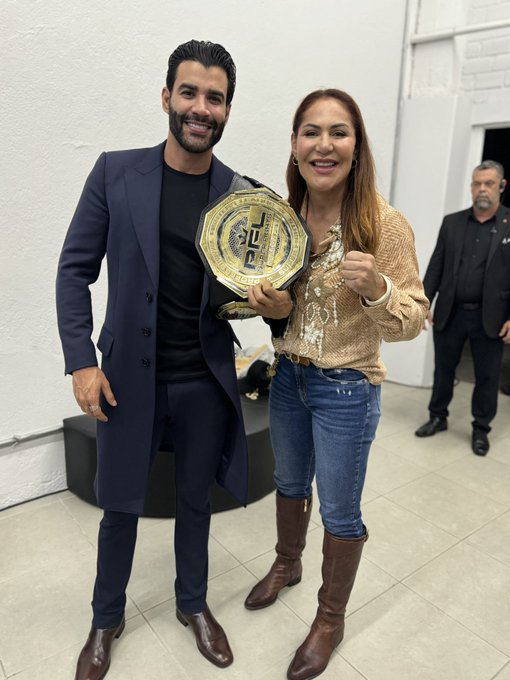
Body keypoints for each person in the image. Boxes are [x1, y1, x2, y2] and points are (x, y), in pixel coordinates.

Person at [56, 40, 257, 679]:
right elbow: (74, 270)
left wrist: (268, 299)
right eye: (190, 92)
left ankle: (192, 604)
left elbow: (251, 288)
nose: (201, 108)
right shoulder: (115, 173)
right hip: (124, 382)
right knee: (119, 504)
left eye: (215, 98)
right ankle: (105, 618)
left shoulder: (241, 194)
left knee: (195, 501)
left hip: (204, 381)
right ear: (167, 96)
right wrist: (81, 362)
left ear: (227, 110)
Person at [244, 89, 428, 680]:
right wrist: (271, 309)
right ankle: (287, 563)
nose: (324, 145)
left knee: (341, 511)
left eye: (338, 132)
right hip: (288, 377)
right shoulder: (281, 219)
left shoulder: (383, 224)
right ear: (295, 145)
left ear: (357, 145)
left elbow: (413, 320)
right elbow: (275, 309)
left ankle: (330, 618)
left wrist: (377, 288)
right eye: (311, 132)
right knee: (288, 482)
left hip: (347, 387)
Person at [415, 160, 510, 455]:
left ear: (501, 186)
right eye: (476, 183)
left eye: (488, 183)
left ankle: (481, 429)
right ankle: (437, 417)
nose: (481, 189)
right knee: (443, 370)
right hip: (451, 312)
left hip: (491, 316)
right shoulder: (452, 223)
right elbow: (436, 266)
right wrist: (424, 301)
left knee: (487, 376)